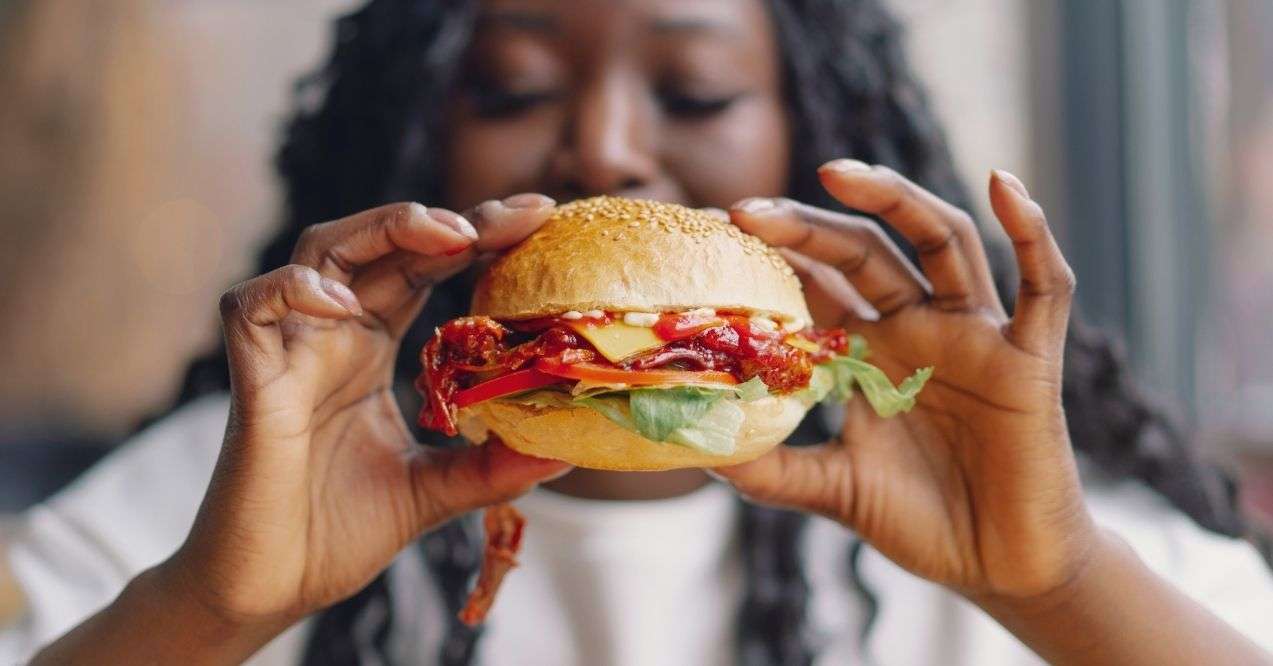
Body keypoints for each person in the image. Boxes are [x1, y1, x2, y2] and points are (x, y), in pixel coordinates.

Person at [4, 1, 1272, 664]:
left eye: (696, 91)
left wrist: (1055, 590)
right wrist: (208, 614)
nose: (604, 145)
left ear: (811, 138)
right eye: (511, 87)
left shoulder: (1012, 497)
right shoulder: (227, 499)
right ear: (418, 137)